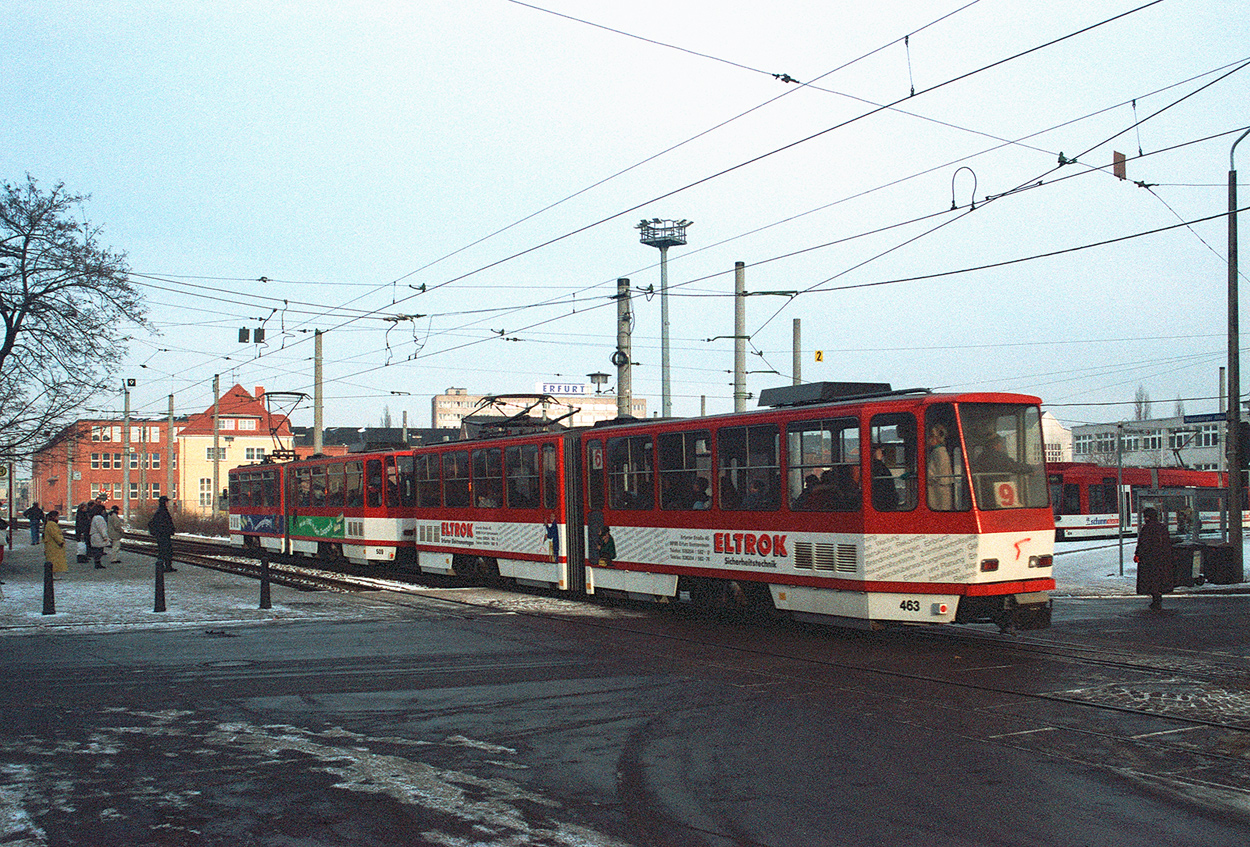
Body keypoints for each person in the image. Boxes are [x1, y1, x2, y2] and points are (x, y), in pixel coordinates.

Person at [1134, 507, 1173, 611]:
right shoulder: (1162, 527)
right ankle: (1157, 597)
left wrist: (1138, 554)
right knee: (1159, 579)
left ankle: (1156, 599)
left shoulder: (1147, 528)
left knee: (1151, 579)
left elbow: (1143, 544)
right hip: (1162, 559)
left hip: (1150, 560)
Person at [926, 424, 954, 511]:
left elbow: (935, 471)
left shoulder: (939, 452)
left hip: (939, 488)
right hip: (940, 486)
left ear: (935, 439)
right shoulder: (937, 452)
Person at [148, 496, 177, 573]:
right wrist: (168, 530)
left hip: (162, 534)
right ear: (164, 502)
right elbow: (164, 523)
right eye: (167, 502)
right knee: (165, 551)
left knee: (164, 551)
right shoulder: (162, 511)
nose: (168, 503)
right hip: (163, 535)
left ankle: (166, 566)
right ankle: (164, 566)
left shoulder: (161, 511)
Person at [871, 446, 898, 511]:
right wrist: (877, 459)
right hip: (882, 499)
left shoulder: (879, 467)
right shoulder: (877, 466)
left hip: (885, 499)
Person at [43, 510, 67, 575]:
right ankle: (53, 573)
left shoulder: (49, 523)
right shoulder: (52, 524)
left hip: (51, 545)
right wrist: (61, 542)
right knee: (54, 561)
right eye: (57, 516)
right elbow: (55, 534)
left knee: (52, 560)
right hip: (54, 546)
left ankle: (54, 573)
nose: (58, 518)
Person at [88, 502, 110, 569]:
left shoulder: (94, 517)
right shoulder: (99, 518)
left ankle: (97, 562)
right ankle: (98, 563)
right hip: (98, 536)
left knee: (96, 550)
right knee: (99, 550)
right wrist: (105, 537)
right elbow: (101, 528)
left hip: (94, 536)